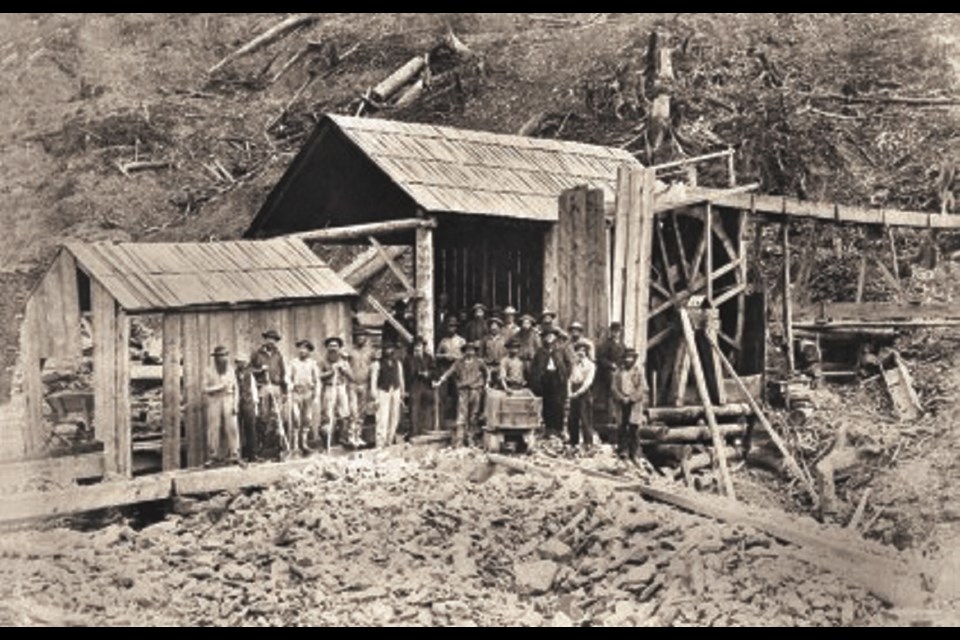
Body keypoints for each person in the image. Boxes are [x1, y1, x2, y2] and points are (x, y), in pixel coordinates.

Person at [434, 341, 489, 447]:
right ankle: (459, 439)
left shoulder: (479, 362)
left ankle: (471, 439)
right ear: (464, 351)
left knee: (474, 415)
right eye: (468, 350)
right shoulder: (459, 363)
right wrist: (440, 381)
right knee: (461, 415)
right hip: (463, 391)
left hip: (475, 390)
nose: (470, 352)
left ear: (475, 352)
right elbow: (449, 372)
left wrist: (487, 384)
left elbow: (487, 372)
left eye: (472, 350)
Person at [250, 329, 289, 459]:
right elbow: (250, 370)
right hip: (264, 387)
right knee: (263, 417)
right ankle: (263, 448)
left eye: (274, 339)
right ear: (265, 339)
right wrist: (260, 370)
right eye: (269, 338)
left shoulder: (278, 355)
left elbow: (283, 373)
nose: (271, 341)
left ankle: (278, 448)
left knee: (277, 417)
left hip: (276, 387)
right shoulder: (257, 354)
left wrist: (285, 391)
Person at [530, 327, 571, 440]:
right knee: (547, 403)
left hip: (558, 379)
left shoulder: (561, 350)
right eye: (547, 336)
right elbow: (534, 367)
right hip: (545, 379)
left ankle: (558, 429)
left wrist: (564, 375)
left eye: (552, 336)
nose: (549, 338)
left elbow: (569, 364)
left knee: (558, 404)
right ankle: (548, 429)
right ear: (544, 338)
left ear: (555, 338)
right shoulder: (540, 351)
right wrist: (537, 379)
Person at [204, 346, 241, 467]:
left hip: (229, 399)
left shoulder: (230, 370)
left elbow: (236, 388)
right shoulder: (208, 370)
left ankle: (234, 454)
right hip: (214, 400)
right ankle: (213, 456)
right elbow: (204, 389)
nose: (222, 358)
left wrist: (235, 404)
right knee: (213, 428)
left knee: (232, 427)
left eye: (224, 356)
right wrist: (219, 387)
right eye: (219, 356)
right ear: (215, 358)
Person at [612, 348, 648, 464]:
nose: (628, 360)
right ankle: (622, 450)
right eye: (627, 357)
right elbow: (613, 388)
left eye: (631, 358)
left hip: (634, 403)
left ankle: (634, 453)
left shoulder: (639, 371)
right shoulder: (618, 372)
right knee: (622, 426)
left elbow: (642, 388)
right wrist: (622, 398)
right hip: (622, 401)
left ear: (634, 359)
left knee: (634, 427)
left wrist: (632, 398)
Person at [319, 337, 353, 449]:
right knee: (327, 414)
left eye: (335, 346)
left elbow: (352, 377)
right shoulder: (323, 361)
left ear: (339, 348)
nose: (333, 348)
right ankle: (328, 442)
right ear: (327, 348)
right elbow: (319, 376)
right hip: (329, 388)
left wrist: (344, 370)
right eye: (331, 346)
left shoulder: (344, 362)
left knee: (344, 413)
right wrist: (331, 372)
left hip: (341, 387)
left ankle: (342, 439)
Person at [288, 339, 320, 456]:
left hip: (308, 393)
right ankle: (295, 446)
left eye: (305, 349)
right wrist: (291, 386)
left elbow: (317, 380)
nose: (302, 351)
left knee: (307, 419)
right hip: (296, 393)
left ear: (309, 351)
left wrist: (316, 395)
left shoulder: (312, 363)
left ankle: (304, 444)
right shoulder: (293, 363)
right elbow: (288, 377)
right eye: (300, 348)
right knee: (296, 419)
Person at [370, 342, 405, 448]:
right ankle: (380, 443)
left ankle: (389, 441)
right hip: (383, 391)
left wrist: (402, 392)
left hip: (395, 390)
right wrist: (374, 396)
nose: (389, 351)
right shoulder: (377, 364)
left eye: (391, 349)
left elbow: (401, 378)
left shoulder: (398, 363)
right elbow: (374, 380)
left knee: (394, 417)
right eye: (387, 349)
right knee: (382, 418)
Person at [345, 331, 375, 448]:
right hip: (352, 384)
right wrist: (349, 375)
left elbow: (374, 366)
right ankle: (351, 436)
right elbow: (344, 364)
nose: (360, 338)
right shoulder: (349, 352)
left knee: (362, 412)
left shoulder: (370, 352)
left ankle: (359, 435)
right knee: (353, 411)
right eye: (358, 336)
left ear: (365, 338)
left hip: (365, 384)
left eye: (362, 336)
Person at [567, 341, 597, 453]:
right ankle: (573, 442)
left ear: (587, 352)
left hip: (584, 392)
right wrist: (569, 391)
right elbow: (570, 379)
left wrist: (578, 393)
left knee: (586, 418)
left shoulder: (591, 365)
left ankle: (588, 443)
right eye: (578, 350)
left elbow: (588, 382)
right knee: (572, 418)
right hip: (574, 390)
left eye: (583, 351)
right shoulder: (574, 364)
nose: (581, 353)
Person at [595, 322, 626, 428]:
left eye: (618, 331)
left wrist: (622, 365)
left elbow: (625, 357)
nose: (616, 333)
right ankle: (610, 416)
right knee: (612, 392)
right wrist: (611, 365)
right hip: (609, 372)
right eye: (614, 331)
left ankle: (620, 417)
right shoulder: (606, 344)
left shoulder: (622, 345)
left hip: (619, 371)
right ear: (611, 332)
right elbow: (601, 359)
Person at [405, 336, 436, 438]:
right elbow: (407, 374)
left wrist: (428, 374)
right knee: (414, 407)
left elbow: (434, 371)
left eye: (420, 345)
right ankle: (414, 432)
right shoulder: (409, 358)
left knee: (426, 406)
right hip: (415, 384)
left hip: (426, 385)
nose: (418, 348)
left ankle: (425, 429)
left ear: (423, 346)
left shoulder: (428, 357)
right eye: (416, 346)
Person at [436, 318, 465, 424]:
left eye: (453, 326)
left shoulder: (461, 341)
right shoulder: (443, 341)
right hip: (445, 367)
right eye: (449, 326)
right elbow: (437, 355)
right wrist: (445, 356)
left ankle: (458, 417)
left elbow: (466, 355)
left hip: (457, 368)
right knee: (443, 393)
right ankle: (443, 419)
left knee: (457, 393)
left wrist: (456, 357)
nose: (451, 328)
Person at [234, 353, 259, 462]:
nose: (242, 364)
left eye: (243, 362)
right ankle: (239, 454)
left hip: (249, 404)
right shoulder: (233, 374)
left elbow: (254, 390)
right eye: (239, 362)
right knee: (237, 430)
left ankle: (252, 454)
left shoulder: (250, 375)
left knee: (251, 429)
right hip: (237, 404)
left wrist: (255, 405)